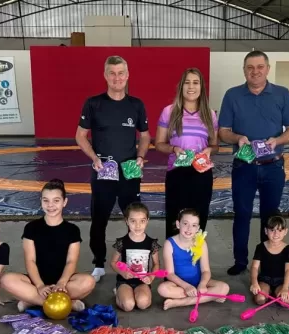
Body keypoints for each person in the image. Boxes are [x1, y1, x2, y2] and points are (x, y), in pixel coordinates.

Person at [218, 50, 289, 276]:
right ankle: (241, 261)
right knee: (241, 214)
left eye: (259, 67)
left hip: (273, 165)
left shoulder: (282, 94)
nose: (255, 72)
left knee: (270, 216)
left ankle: (266, 262)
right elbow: (223, 132)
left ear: (267, 68)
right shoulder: (232, 95)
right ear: (244, 70)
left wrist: (278, 140)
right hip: (243, 166)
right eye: (250, 68)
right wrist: (238, 139)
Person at [75, 55, 151, 283]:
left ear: (127, 76)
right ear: (105, 76)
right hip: (103, 172)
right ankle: (98, 263)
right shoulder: (93, 103)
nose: (117, 77)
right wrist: (93, 157)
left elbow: (145, 136)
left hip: (129, 172)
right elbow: (80, 135)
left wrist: (140, 156)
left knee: (135, 220)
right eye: (112, 73)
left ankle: (133, 261)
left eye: (121, 73)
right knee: (99, 219)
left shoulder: (136, 105)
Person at [1, 179, 96, 313]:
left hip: (64, 283)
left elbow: (71, 261)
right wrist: (39, 286)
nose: (50, 205)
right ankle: (63, 303)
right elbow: (30, 260)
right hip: (36, 281)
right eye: (46, 200)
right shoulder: (31, 228)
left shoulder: (72, 230)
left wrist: (62, 283)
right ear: (41, 202)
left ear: (64, 202)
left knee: (89, 281)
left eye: (56, 200)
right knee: (6, 279)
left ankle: (33, 301)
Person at [154, 68, 219, 238]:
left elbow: (215, 145)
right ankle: (173, 261)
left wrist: (209, 150)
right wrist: (174, 149)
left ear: (201, 87)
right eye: (187, 82)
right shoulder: (169, 111)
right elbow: (159, 143)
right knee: (175, 219)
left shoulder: (210, 114)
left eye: (195, 82)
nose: (191, 87)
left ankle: (195, 261)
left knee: (199, 219)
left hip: (202, 173)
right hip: (177, 173)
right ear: (181, 86)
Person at [158, 209, 230, 310]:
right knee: (162, 289)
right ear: (178, 224)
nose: (189, 228)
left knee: (224, 287)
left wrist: (202, 284)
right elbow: (169, 274)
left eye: (194, 225)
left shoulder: (201, 243)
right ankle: (209, 297)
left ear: (198, 228)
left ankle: (179, 303)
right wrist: (186, 286)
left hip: (199, 281)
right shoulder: (169, 244)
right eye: (185, 223)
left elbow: (206, 270)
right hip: (179, 285)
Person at [110, 202, 160, 312]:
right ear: (126, 221)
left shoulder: (151, 243)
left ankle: (141, 294)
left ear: (147, 221)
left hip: (142, 281)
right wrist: (123, 272)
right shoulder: (122, 242)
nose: (137, 226)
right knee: (128, 305)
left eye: (142, 221)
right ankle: (118, 292)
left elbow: (156, 264)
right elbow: (113, 262)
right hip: (125, 281)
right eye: (133, 221)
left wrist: (151, 277)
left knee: (142, 304)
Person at [249, 215, 289, 305]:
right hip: (265, 280)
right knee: (260, 299)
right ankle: (267, 292)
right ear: (266, 231)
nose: (276, 234)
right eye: (272, 230)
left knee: (286, 301)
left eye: (280, 230)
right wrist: (254, 283)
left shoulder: (288, 249)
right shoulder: (260, 247)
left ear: (285, 231)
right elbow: (254, 267)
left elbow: (288, 270)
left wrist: (285, 288)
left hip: (281, 281)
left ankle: (276, 292)